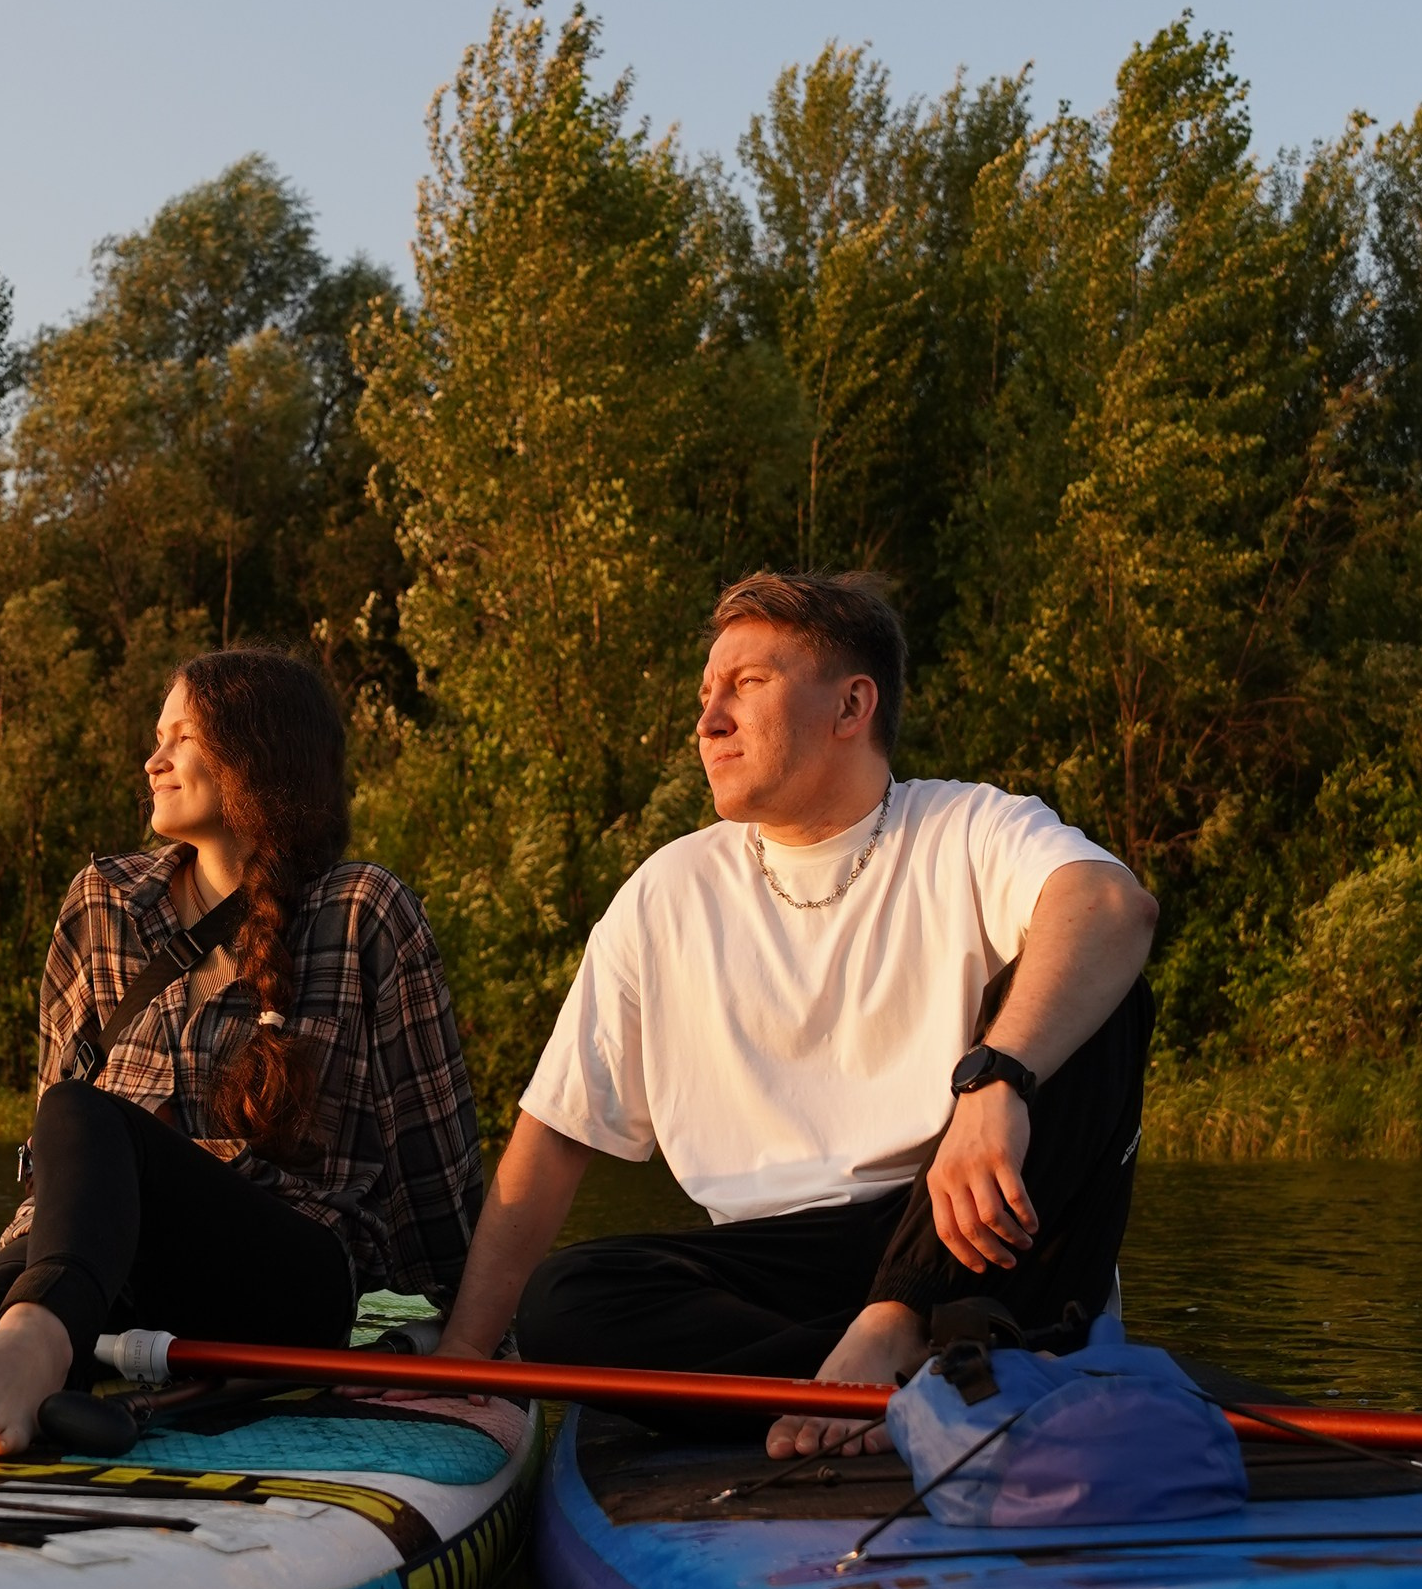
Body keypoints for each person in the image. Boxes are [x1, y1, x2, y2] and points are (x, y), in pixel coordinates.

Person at [435, 569, 1157, 1447]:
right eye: (706, 696)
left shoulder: (966, 828)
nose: (707, 723)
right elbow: (553, 1138)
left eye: (745, 686)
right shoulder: (666, 893)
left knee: (1093, 984)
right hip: (778, 1269)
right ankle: (917, 1377)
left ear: (851, 707)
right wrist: (465, 1358)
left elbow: (1112, 908)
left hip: (976, 1233)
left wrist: (992, 1082)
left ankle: (903, 1326)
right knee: (565, 1303)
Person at [0, 644, 483, 1457]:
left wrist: (466, 1336)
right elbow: (60, 1165)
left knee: (87, 1119)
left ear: (257, 751)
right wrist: (22, 1263)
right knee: (53, 1207)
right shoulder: (104, 902)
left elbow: (433, 1163)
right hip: (110, 1268)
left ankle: (30, 1349)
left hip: (286, 1277)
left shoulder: (365, 910)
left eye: (181, 737)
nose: (152, 760)